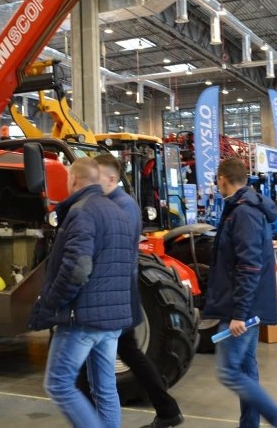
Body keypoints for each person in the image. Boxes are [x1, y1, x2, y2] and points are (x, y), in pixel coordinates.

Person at [28, 157, 137, 428]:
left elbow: (77, 268)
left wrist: (51, 302)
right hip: (112, 318)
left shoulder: (82, 212)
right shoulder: (119, 213)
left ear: (73, 179)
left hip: (83, 318)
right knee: (105, 388)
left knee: (59, 384)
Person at [203, 157, 277, 428]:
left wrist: (239, 314)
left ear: (222, 178)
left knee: (228, 371)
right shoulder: (244, 207)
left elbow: (249, 265)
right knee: (246, 368)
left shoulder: (243, 212)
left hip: (242, 307)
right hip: (247, 305)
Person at [94, 154, 184, 428]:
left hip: (116, 292)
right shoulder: (122, 204)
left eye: (95, 177)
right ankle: (167, 410)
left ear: (111, 178)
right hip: (121, 290)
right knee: (129, 352)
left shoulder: (119, 207)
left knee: (93, 354)